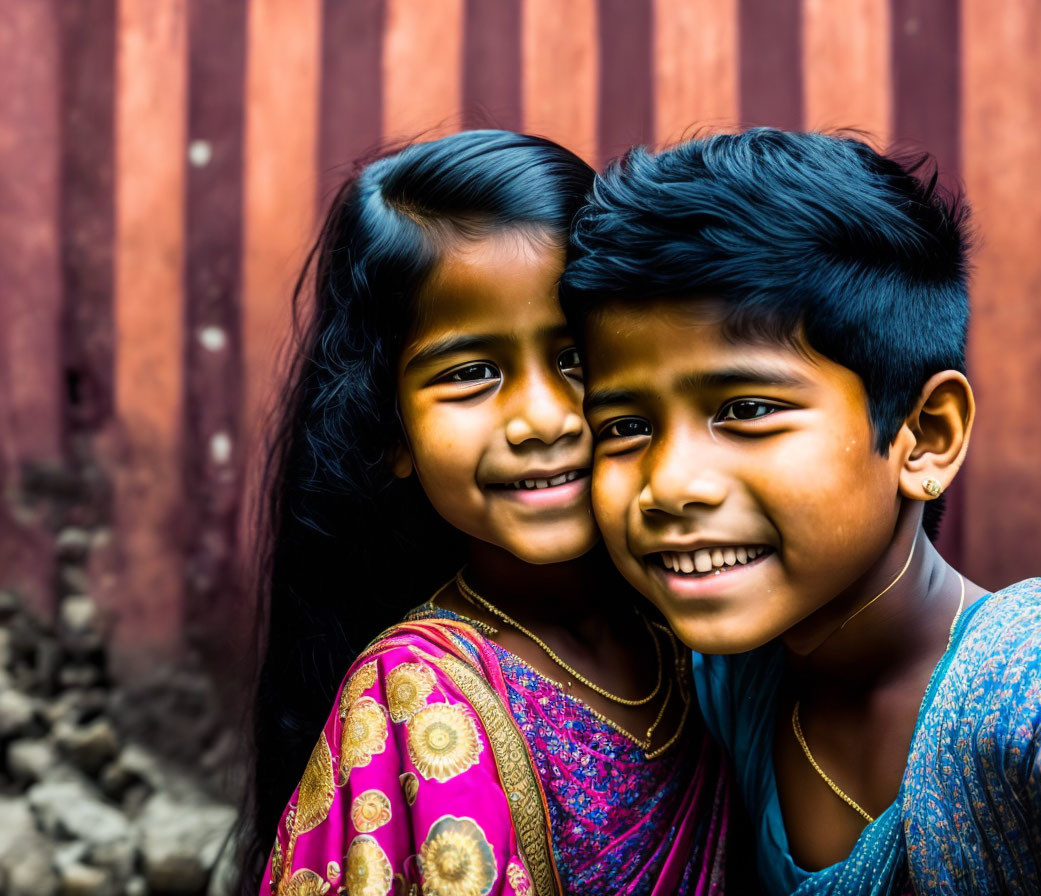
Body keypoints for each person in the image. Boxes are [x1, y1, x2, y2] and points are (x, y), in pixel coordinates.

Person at [558, 128, 1041, 894]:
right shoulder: (709, 685)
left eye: (745, 409)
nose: (670, 485)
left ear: (926, 437)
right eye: (626, 427)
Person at [240, 130, 728, 896]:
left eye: (578, 360)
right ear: (391, 429)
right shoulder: (415, 699)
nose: (541, 419)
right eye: (471, 374)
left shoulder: (705, 626)